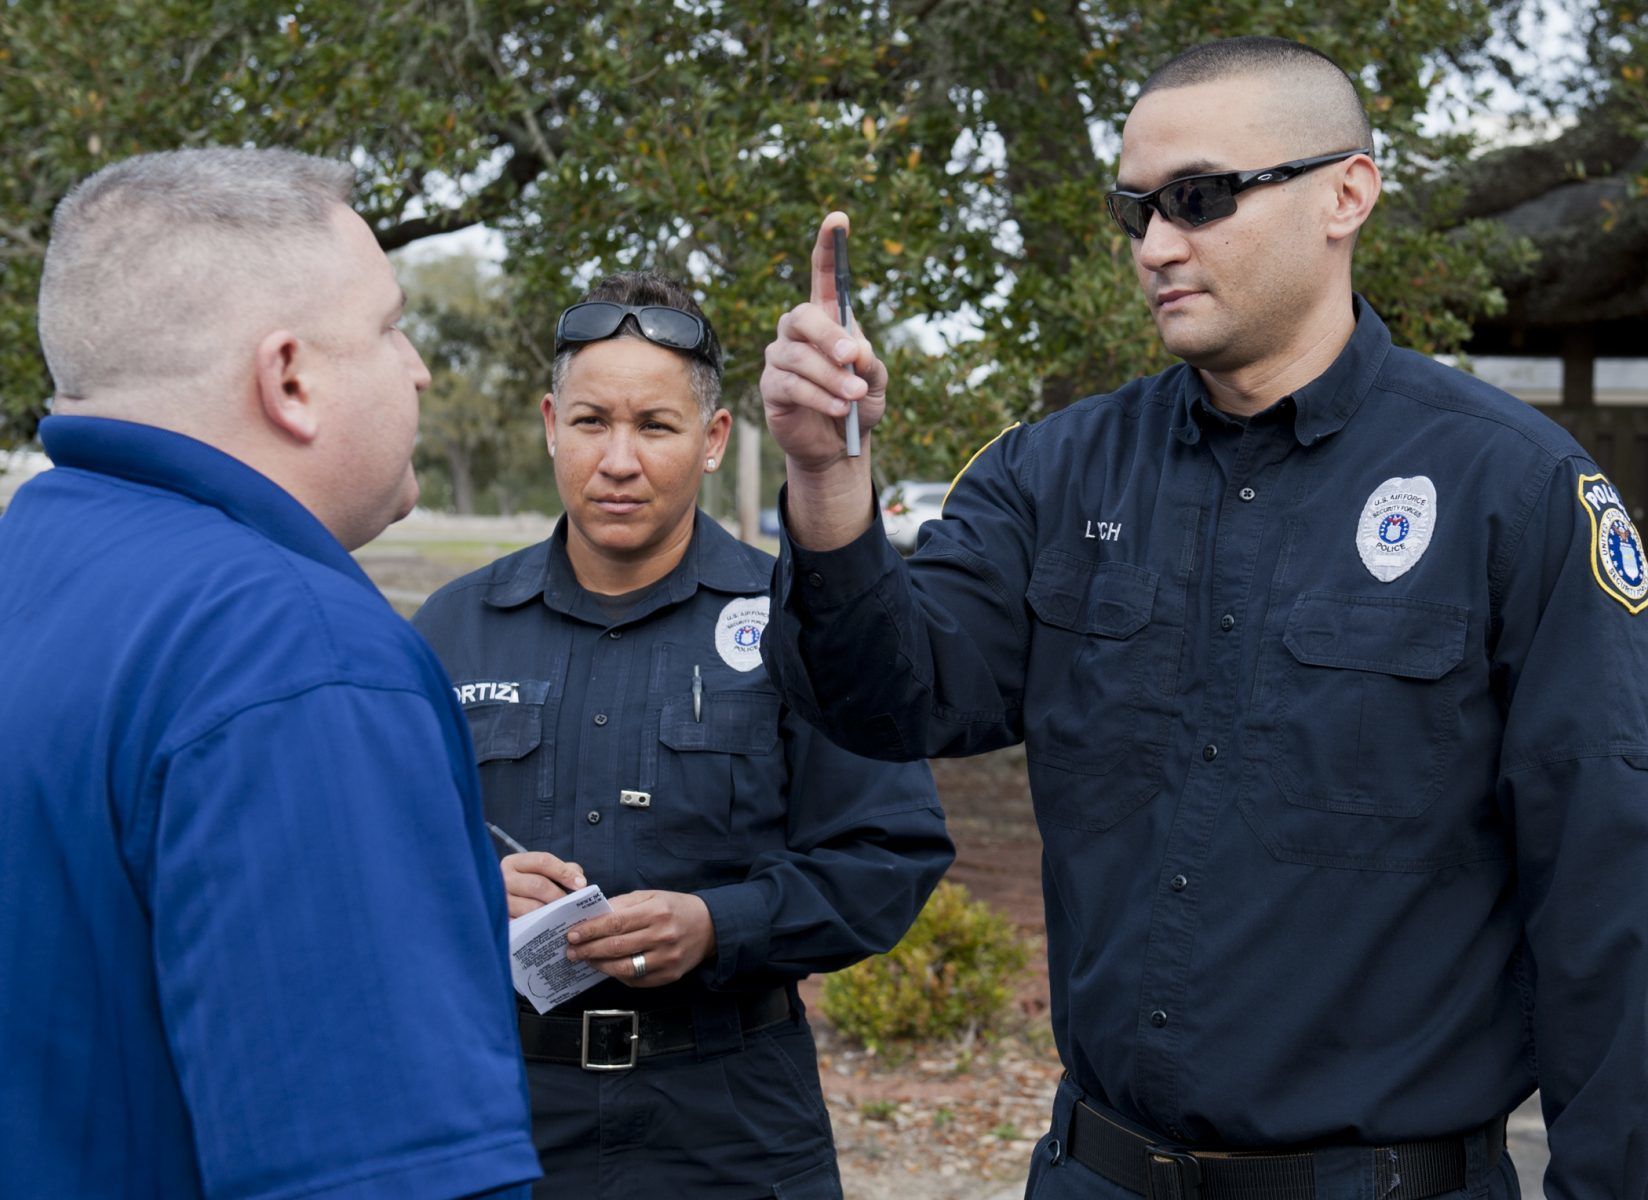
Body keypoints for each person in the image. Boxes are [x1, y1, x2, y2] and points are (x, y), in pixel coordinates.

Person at [758, 35, 1648, 1200]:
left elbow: (1609, 898)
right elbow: (888, 700)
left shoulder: (1512, 490)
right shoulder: (1054, 474)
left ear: (1346, 194)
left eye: (1202, 198)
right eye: (1137, 211)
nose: (1157, 245)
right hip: (1101, 1174)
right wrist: (828, 488)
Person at [0, 149, 539, 1199]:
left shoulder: (33, 569)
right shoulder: (292, 653)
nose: (420, 368)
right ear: (289, 377)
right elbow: (380, 1175)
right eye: (389, 326)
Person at [412, 271, 952, 1200]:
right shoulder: (451, 629)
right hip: (499, 1116)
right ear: (550, 424)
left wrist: (717, 926)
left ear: (711, 441)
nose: (618, 460)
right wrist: (464, 886)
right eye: (590, 423)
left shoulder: (801, 624)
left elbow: (891, 855)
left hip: (729, 1127)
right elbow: (370, 854)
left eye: (654, 427)